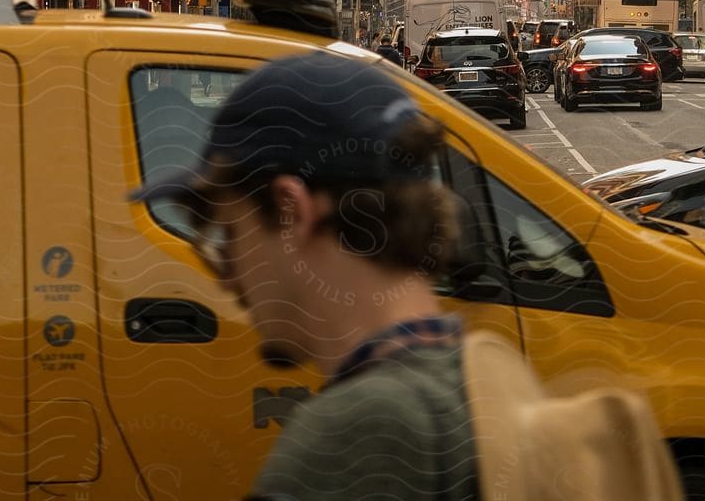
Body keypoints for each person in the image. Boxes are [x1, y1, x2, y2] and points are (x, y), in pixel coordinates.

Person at [132, 54, 480, 500]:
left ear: (290, 209)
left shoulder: (354, 433)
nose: (227, 279)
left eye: (231, 234)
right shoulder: (480, 381)